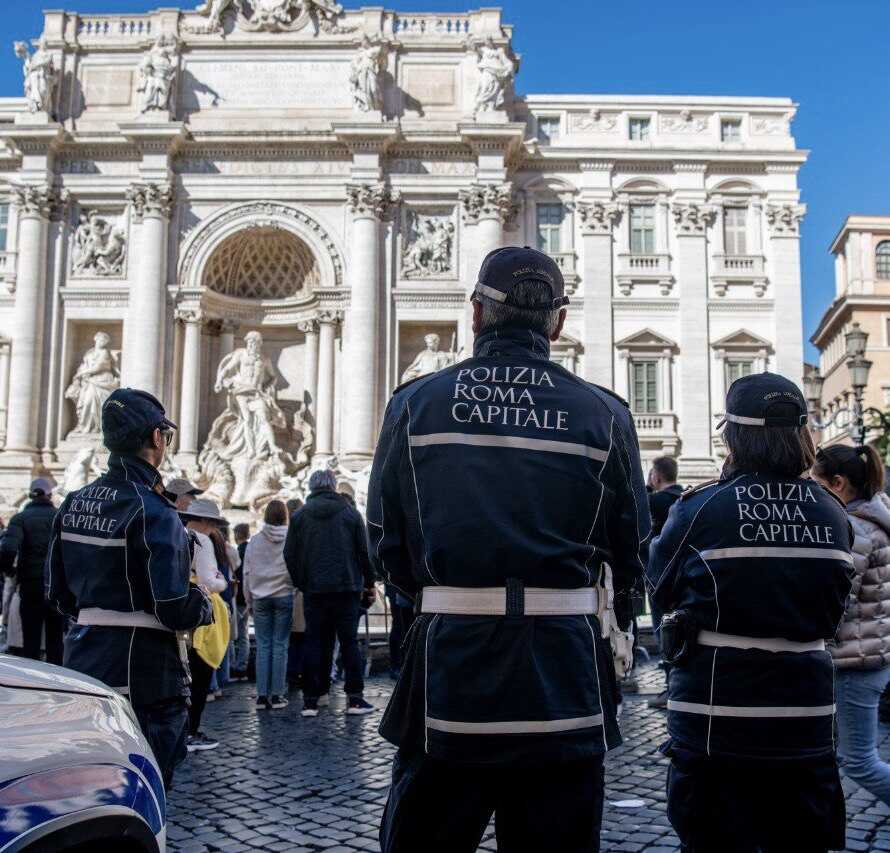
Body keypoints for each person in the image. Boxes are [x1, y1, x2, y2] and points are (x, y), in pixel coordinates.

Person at [368, 246, 649, 853]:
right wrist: (613, 620)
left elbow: (384, 539)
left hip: (450, 661)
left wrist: (428, 605)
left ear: (475, 313)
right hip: (565, 668)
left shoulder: (415, 403)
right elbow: (632, 552)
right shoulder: (605, 412)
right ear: (559, 321)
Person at [647, 372, 855, 853]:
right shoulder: (831, 511)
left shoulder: (702, 507)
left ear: (733, 435)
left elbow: (659, 588)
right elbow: (835, 606)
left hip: (716, 719)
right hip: (806, 718)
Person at [46, 388, 212, 789]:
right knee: (146, 786)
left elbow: (57, 592)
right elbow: (172, 605)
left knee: (91, 784)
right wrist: (204, 603)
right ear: (157, 439)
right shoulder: (155, 511)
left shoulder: (74, 502)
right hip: (147, 674)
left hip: (84, 659)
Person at [812, 444, 890, 804]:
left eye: (817, 482)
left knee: (859, 761)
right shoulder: (877, 516)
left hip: (855, 661)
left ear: (838, 483)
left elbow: (838, 600)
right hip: (868, 655)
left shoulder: (855, 528)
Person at [284, 469, 377, 718]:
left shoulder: (300, 515)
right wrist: (369, 582)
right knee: (348, 643)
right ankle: (354, 699)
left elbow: (289, 555)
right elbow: (363, 553)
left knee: (315, 642)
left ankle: (313, 699)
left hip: (314, 589)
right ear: (333, 486)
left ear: (312, 487)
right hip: (347, 589)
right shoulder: (350, 513)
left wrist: (302, 582)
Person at [177, 498, 230, 751]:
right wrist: (222, 582)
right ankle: (192, 731)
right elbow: (211, 581)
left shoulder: (178, 534)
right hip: (201, 612)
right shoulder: (203, 540)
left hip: (180, 608)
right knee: (200, 676)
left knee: (184, 676)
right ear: (208, 521)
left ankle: (181, 732)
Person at [0, 479, 63, 664]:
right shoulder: (59, 516)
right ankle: (58, 684)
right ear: (50, 495)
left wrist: (9, 570)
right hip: (56, 586)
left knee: (31, 640)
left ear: (30, 495)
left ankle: (33, 684)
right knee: (55, 640)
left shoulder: (20, 519)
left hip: (30, 584)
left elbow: (9, 549)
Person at [243, 499, 293, 710]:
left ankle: (262, 696)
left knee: (263, 646)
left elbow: (247, 572)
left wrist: (249, 600)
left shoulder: (254, 541)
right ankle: (277, 695)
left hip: (260, 597)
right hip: (284, 594)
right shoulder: (290, 539)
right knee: (280, 645)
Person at [645, 456, 684, 710]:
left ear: (656, 476)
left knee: (663, 633)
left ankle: (671, 689)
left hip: (659, 578)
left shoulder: (654, 501)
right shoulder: (684, 499)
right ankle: (679, 688)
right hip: (684, 577)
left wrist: (647, 488)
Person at [231, 522, 251, 680]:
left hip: (237, 598)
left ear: (237, 534)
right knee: (244, 635)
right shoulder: (249, 550)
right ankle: (242, 666)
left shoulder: (238, 552)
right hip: (247, 599)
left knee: (232, 634)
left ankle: (232, 666)